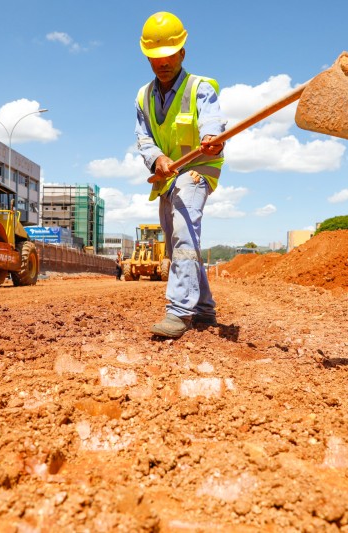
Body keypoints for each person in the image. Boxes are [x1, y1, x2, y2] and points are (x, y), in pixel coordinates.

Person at [135, 11, 226, 338]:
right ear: (148, 57)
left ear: (182, 53)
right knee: (178, 248)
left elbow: (212, 119)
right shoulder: (143, 97)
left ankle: (179, 312)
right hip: (168, 176)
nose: (163, 62)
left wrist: (212, 138)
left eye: (170, 55)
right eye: (156, 56)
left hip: (197, 170)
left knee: (185, 232)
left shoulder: (200, 88)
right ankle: (204, 309)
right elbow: (144, 138)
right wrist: (157, 158)